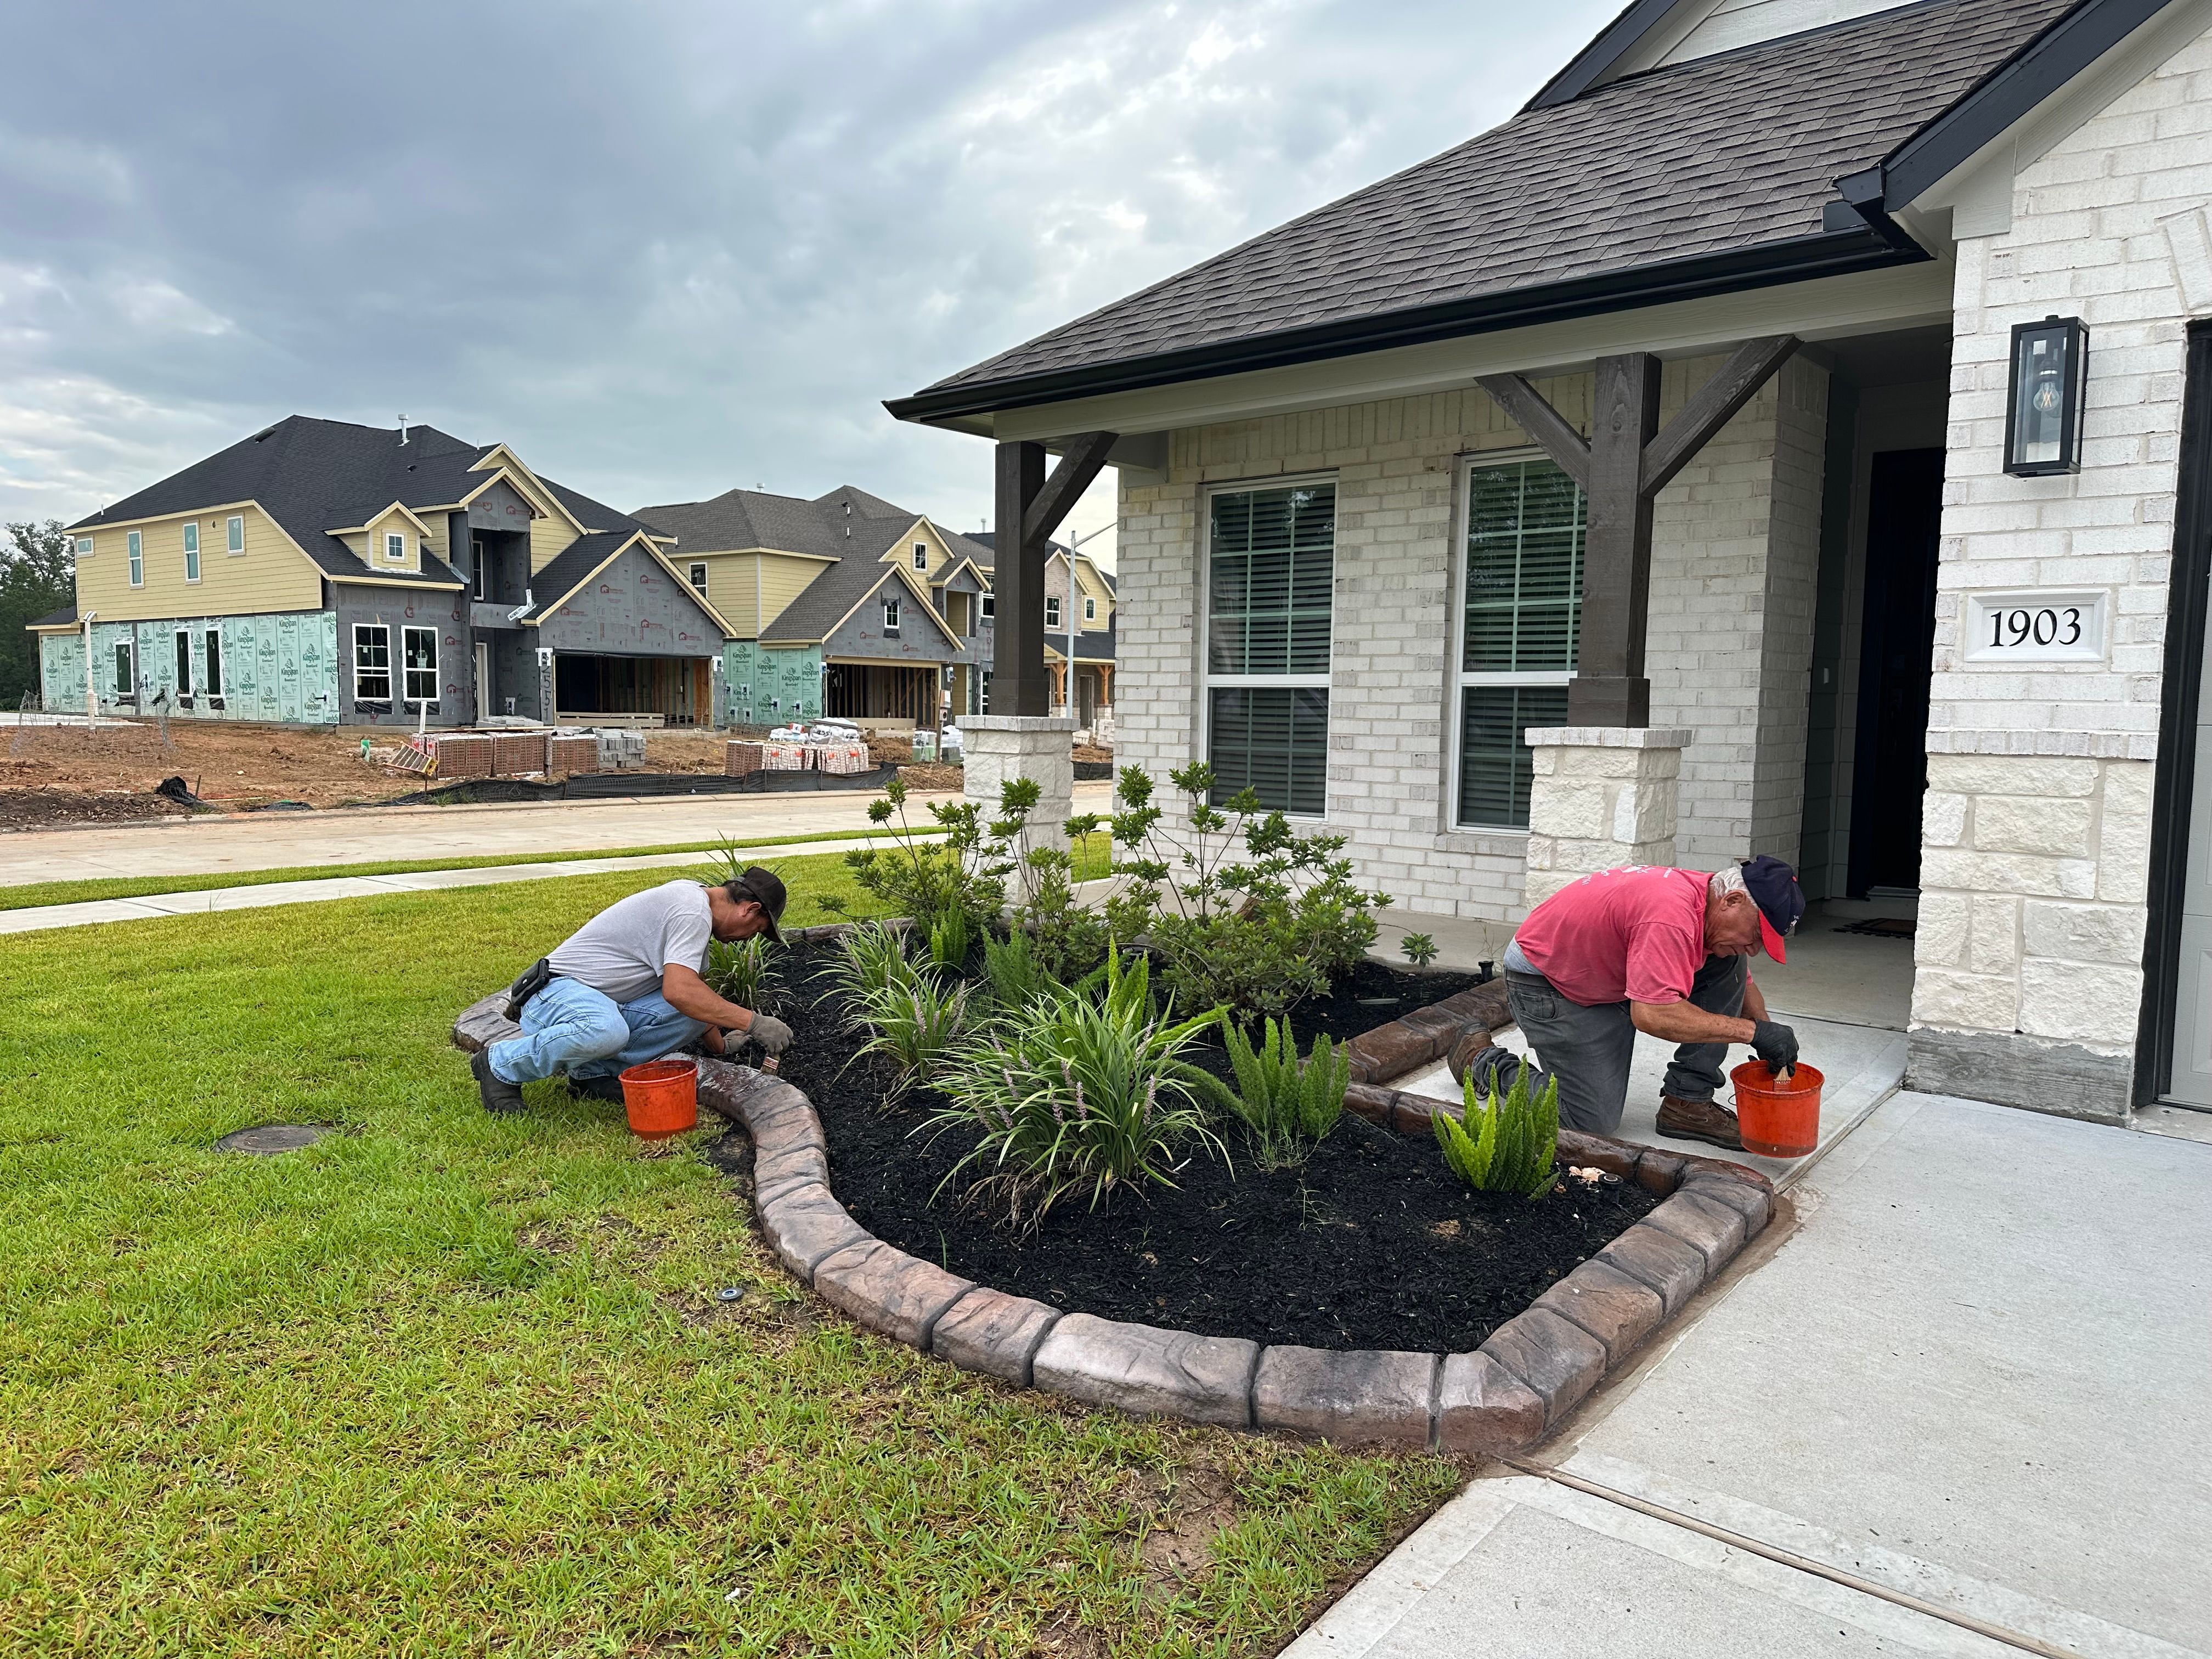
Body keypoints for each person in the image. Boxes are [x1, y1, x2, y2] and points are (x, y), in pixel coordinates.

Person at [1496, 856, 1805, 1148]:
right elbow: (1653, 1015)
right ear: (1733, 900)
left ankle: (1687, 1102)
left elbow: (1741, 982)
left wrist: (1768, 1032)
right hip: (1549, 985)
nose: (1754, 949)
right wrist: (1752, 1033)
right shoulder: (1670, 916)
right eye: (1757, 934)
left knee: (1729, 957)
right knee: (1588, 1121)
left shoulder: (1707, 899)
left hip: (1605, 972)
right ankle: (1485, 1060)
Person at [470, 865, 797, 1114]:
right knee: (605, 1030)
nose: (749, 937)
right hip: (554, 993)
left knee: (693, 1012)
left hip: (596, 1000)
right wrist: (754, 1022)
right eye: (757, 929)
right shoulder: (691, 909)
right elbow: (680, 992)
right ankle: (500, 1064)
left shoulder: (695, 908)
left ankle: (592, 1075)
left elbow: (695, 996)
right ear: (750, 909)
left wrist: (721, 1047)